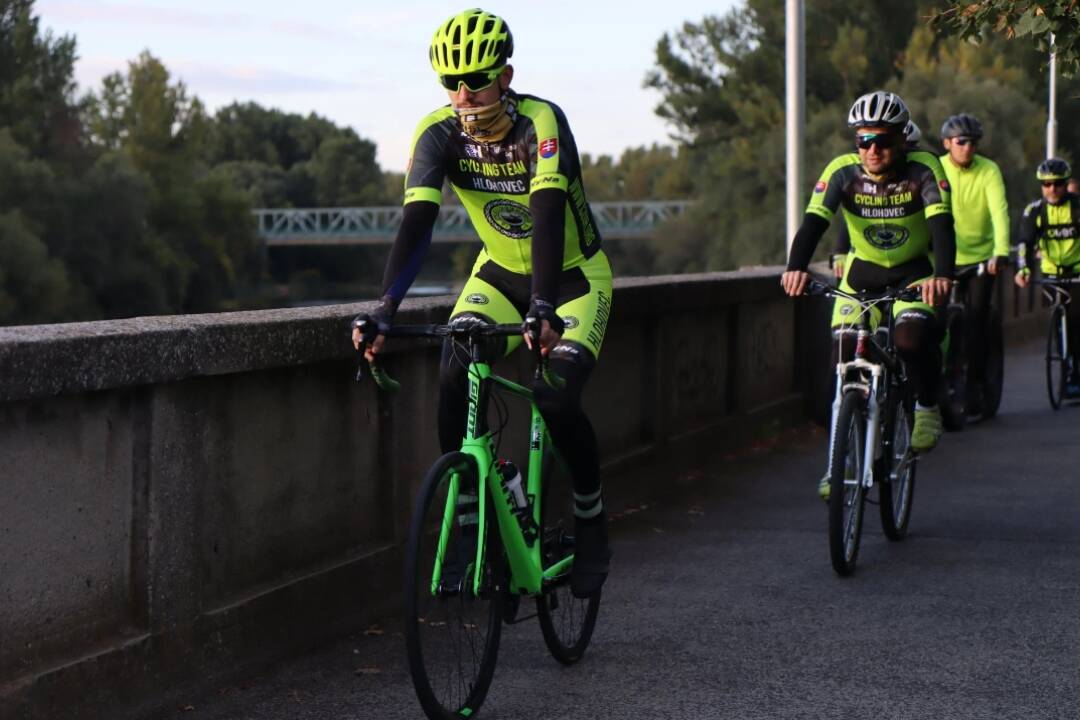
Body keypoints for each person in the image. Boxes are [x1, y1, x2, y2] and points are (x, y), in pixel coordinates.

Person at [351, 9, 612, 598]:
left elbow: (546, 215)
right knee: (455, 369)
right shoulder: (437, 134)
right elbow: (417, 225)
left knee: (553, 393)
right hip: (495, 274)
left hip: (572, 278)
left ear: (507, 75)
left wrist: (544, 307)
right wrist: (385, 308)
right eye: (451, 82)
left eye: (476, 79)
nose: (463, 94)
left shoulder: (542, 122)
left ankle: (592, 519)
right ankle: (473, 510)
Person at [781, 91, 956, 499]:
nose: (872, 149)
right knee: (842, 357)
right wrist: (794, 268)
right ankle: (835, 466)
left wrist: (942, 276)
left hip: (913, 275)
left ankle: (927, 405)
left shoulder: (924, 169)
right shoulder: (842, 172)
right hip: (861, 279)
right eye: (863, 140)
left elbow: (942, 227)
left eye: (881, 140)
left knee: (910, 340)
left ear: (901, 140)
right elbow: (812, 224)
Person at [937, 113, 1009, 416]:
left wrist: (1001, 252)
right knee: (935, 321)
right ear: (947, 143)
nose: (968, 147)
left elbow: (999, 212)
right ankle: (936, 380)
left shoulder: (988, 170)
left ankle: (977, 385)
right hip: (945, 258)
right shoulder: (937, 168)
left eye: (973, 142)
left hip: (981, 259)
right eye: (961, 142)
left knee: (977, 320)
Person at [1015, 158, 1080, 392]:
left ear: (1065, 184)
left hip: (1076, 272)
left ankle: (1075, 369)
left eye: (1058, 184)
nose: (1053, 189)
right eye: (1047, 184)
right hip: (1051, 273)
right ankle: (1062, 355)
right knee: (1058, 319)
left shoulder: (1077, 206)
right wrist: (1024, 269)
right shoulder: (1034, 211)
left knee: (1075, 320)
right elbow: (1024, 243)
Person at [832, 119, 923, 278]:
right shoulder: (858, 174)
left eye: (911, 148)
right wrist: (840, 251)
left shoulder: (923, 174)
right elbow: (855, 217)